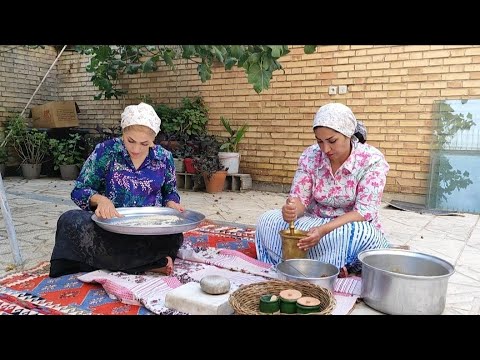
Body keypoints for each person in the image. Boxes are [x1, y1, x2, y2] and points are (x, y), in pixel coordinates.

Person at [49, 102, 185, 278]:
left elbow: (170, 191)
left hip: (150, 230)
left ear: (154, 140)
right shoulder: (106, 151)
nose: (136, 149)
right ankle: (150, 263)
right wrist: (100, 200)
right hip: (111, 228)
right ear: (123, 133)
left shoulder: (163, 158)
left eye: (144, 144)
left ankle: (117, 262)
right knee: (69, 220)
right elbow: (80, 189)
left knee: (175, 235)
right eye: (130, 141)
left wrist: (172, 203)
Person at [255, 103, 390, 273]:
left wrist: (323, 231)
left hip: (347, 227)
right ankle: (326, 264)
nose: (325, 149)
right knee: (267, 220)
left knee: (363, 235)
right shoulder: (310, 156)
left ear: (348, 134)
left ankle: (315, 264)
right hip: (314, 223)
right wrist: (291, 210)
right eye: (320, 141)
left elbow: (363, 213)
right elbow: (299, 200)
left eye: (332, 141)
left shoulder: (371, 160)